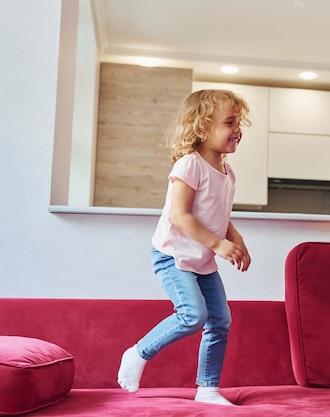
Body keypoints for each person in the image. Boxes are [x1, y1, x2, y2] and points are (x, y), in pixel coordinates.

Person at [117, 89, 252, 406]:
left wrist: (237, 241)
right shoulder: (189, 165)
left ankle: (207, 389)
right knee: (193, 315)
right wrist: (218, 244)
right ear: (201, 128)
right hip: (172, 256)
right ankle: (138, 352)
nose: (237, 130)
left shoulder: (227, 172)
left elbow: (219, 215)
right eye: (229, 122)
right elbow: (180, 215)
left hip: (202, 259)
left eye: (239, 122)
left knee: (220, 321)